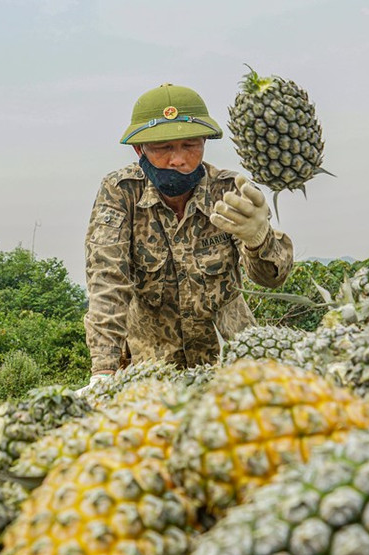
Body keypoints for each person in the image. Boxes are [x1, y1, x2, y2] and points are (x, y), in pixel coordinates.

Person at [82, 83, 294, 386]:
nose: (178, 160)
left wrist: (259, 239)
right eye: (164, 147)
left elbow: (271, 279)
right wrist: (103, 369)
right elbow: (107, 280)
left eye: (190, 145)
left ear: (205, 143)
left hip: (234, 363)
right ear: (139, 149)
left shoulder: (230, 192)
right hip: (154, 372)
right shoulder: (121, 193)